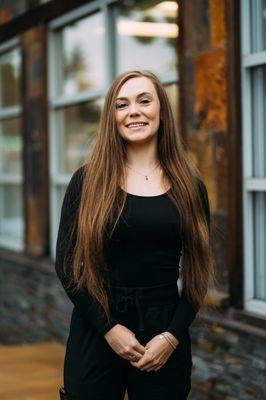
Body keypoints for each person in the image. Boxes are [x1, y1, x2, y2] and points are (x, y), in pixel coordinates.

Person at [55, 70, 213, 400]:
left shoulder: (189, 186)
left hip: (163, 331)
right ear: (112, 117)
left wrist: (172, 336)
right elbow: (67, 265)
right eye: (122, 104)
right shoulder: (87, 181)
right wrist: (109, 328)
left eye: (144, 100)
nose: (134, 111)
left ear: (161, 110)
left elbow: (198, 273)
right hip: (97, 325)